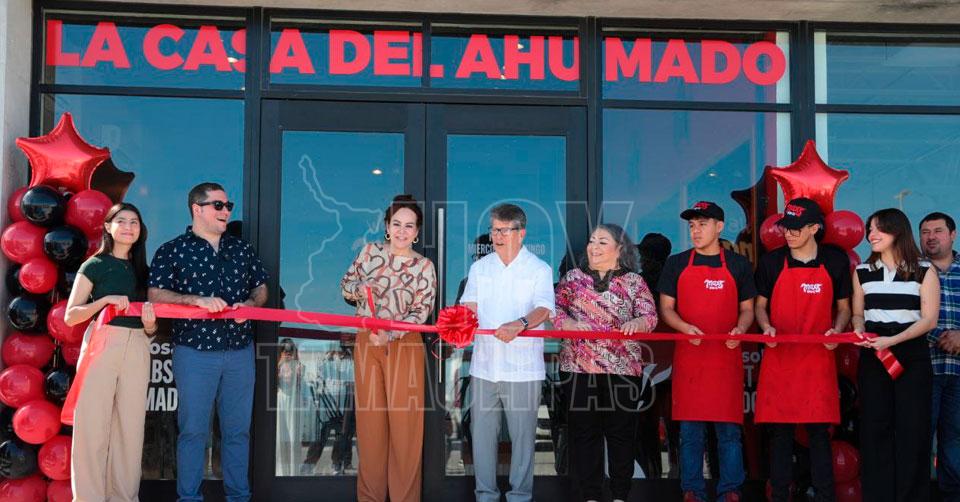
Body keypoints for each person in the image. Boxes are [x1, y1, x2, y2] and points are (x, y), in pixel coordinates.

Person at [148, 182, 268, 502]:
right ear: (197, 209)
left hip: (239, 351)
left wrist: (251, 305)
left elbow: (261, 288)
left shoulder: (241, 249)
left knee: (237, 432)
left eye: (228, 206)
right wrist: (194, 300)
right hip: (194, 353)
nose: (226, 211)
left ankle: (239, 497)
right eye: (218, 205)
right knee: (193, 431)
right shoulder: (172, 250)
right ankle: (189, 498)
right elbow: (155, 295)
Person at [753, 198, 852, 502]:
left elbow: (844, 308)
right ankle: (780, 496)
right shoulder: (771, 262)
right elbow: (759, 306)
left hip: (818, 358)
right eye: (786, 227)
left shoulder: (834, 262)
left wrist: (837, 330)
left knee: (819, 433)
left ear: (814, 228)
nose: (788, 233)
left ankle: (825, 497)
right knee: (780, 434)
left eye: (796, 228)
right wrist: (766, 327)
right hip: (780, 357)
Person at [657, 201, 756, 502]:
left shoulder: (738, 265)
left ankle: (730, 490)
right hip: (690, 359)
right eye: (692, 225)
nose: (695, 230)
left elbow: (748, 309)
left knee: (729, 433)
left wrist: (740, 329)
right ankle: (692, 489)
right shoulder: (676, 263)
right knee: (690, 432)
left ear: (719, 227)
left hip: (725, 359)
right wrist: (684, 327)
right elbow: (666, 308)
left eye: (702, 224)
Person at [340, 194, 437, 502]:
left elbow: (421, 311)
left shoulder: (424, 266)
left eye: (409, 226)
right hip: (367, 342)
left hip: (404, 345)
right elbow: (345, 286)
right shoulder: (369, 252)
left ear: (417, 231)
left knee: (405, 431)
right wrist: (360, 289)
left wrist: (392, 334)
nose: (402, 231)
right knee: (370, 428)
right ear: (386, 226)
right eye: (396, 224)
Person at [554, 224, 658, 502]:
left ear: (619, 249)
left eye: (602, 241)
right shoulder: (573, 278)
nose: (594, 247)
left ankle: (620, 494)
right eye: (591, 241)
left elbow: (650, 316)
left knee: (621, 433)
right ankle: (590, 495)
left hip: (622, 369)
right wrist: (568, 323)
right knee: (584, 433)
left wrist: (638, 322)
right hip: (579, 368)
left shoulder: (634, 281)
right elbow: (555, 310)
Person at [459, 203, 555, 502]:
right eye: (494, 230)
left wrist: (520, 323)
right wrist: (457, 325)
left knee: (523, 440)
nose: (497, 236)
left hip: (523, 369)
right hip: (484, 367)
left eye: (504, 230)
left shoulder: (539, 268)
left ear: (521, 233)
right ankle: (485, 496)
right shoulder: (479, 268)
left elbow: (544, 308)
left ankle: (520, 497)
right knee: (482, 438)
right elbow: (469, 307)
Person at [65, 202, 157, 502]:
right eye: (121, 221)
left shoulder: (144, 272)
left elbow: (152, 326)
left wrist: (150, 326)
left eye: (134, 222)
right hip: (103, 342)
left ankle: (124, 497)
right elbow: (71, 316)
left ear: (141, 230)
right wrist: (104, 301)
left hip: (138, 345)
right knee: (92, 424)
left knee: (130, 429)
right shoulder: (95, 264)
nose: (129, 227)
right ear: (108, 226)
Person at [852, 208, 939, 502]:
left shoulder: (925, 270)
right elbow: (857, 313)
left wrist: (894, 340)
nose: (871, 235)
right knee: (874, 428)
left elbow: (929, 320)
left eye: (878, 229)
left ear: (897, 231)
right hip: (873, 355)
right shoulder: (862, 271)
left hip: (911, 353)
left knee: (913, 429)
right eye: (870, 229)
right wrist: (859, 330)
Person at [920, 212, 960, 501]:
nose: (931, 237)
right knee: (918, 439)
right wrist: (941, 337)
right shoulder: (912, 271)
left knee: (954, 440)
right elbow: (903, 315)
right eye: (925, 232)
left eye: (937, 231)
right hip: (923, 371)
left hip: (958, 373)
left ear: (952, 235)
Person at [276, 338, 313, 476]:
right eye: (284, 350)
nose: (287, 353)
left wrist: (294, 363)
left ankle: (293, 471)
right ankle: (280, 471)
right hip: (281, 401)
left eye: (290, 350)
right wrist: (280, 363)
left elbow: (298, 379)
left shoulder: (299, 366)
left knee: (293, 437)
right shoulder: (277, 365)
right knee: (280, 436)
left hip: (294, 402)